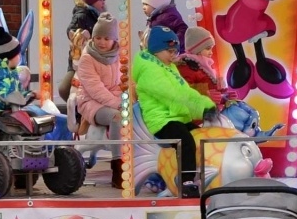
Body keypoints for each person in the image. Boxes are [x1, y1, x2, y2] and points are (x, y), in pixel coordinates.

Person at [131, 26, 214, 197]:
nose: (173, 55)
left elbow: (185, 91)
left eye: (175, 51)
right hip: (161, 120)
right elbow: (173, 95)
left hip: (176, 116)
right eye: (169, 51)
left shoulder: (168, 67)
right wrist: (201, 109)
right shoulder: (149, 70)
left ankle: (205, 174)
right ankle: (186, 182)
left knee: (202, 135)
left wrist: (206, 106)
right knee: (186, 141)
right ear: (155, 50)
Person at [75, 14, 124, 187]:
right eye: (98, 38)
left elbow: (122, 82)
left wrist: (125, 98)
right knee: (117, 117)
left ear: (114, 39)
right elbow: (94, 88)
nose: (102, 42)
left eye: (106, 38)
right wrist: (118, 103)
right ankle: (119, 168)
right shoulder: (87, 58)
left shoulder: (118, 56)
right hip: (91, 102)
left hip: (112, 99)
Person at [180, 27, 227, 106]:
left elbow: (213, 93)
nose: (211, 53)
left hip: (210, 110)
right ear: (196, 49)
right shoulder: (186, 67)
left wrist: (225, 96)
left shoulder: (205, 67)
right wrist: (205, 93)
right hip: (198, 114)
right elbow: (185, 91)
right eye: (208, 49)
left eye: (211, 49)